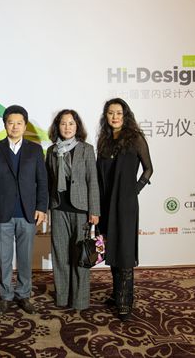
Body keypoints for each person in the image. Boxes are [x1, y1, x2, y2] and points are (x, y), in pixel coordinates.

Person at [0, 105, 48, 314]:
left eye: (19, 123)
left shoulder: (35, 150)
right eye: (11, 122)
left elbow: (42, 181)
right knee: (4, 258)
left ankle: (23, 294)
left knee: (25, 258)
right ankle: (5, 295)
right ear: (5, 125)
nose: (15, 126)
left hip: (28, 213)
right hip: (2, 213)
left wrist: (41, 207)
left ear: (25, 126)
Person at [96, 98, 153, 321]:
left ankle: (126, 300)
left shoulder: (135, 138)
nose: (115, 117)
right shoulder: (104, 140)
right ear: (106, 116)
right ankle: (116, 293)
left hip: (125, 204)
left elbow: (148, 169)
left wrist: (134, 190)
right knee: (111, 248)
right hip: (105, 202)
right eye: (111, 113)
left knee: (125, 251)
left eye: (119, 113)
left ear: (125, 115)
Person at [45, 109, 100, 310]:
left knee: (81, 256)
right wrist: (45, 208)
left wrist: (94, 211)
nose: (67, 127)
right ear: (57, 127)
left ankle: (80, 300)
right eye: (63, 123)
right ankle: (62, 297)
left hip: (81, 209)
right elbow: (48, 181)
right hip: (58, 208)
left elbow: (92, 181)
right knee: (60, 255)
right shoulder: (52, 151)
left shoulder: (87, 149)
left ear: (77, 126)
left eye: (71, 123)